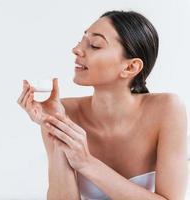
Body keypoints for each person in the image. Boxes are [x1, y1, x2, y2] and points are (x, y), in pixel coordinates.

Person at [17, 10, 188, 200]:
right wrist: (56, 127)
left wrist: (87, 163)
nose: (77, 50)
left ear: (130, 67)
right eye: (81, 41)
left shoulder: (167, 109)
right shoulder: (63, 112)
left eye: (95, 45)